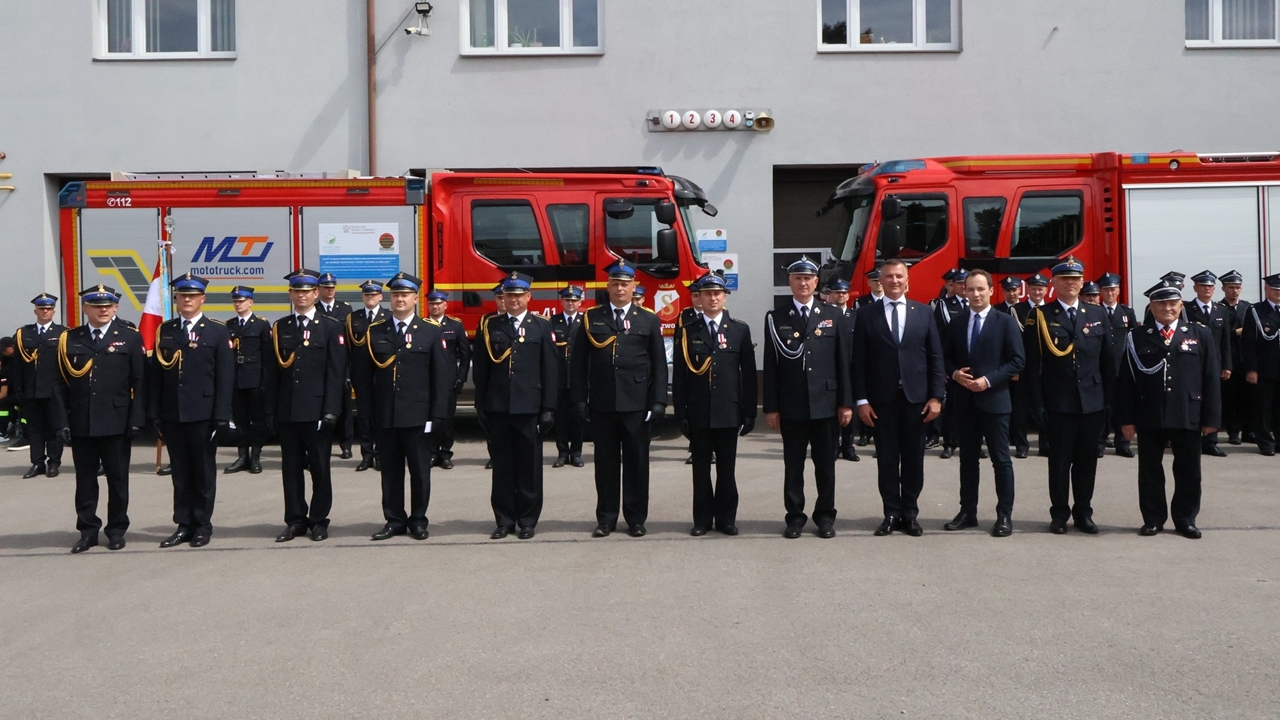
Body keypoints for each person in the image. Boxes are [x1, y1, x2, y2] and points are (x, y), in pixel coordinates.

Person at [571, 260, 667, 538]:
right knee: (605, 464)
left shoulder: (648, 319)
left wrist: (659, 401)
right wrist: (579, 400)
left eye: (625, 284)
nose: (620, 289)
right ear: (608, 287)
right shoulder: (591, 318)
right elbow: (578, 364)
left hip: (636, 403)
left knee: (637, 463)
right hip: (602, 403)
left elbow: (659, 364)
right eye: (615, 284)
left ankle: (636, 519)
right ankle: (606, 518)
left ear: (634, 287)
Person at [1118, 280, 1219, 539]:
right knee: (1150, 471)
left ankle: (1186, 519)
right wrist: (1127, 419)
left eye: (1172, 303)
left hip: (1187, 411)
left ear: (1181, 305)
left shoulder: (1200, 334)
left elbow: (1210, 378)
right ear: (1151, 307)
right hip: (1149, 412)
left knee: (1189, 470)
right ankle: (1153, 519)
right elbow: (1126, 381)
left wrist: (1211, 417)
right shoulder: (1136, 337)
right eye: (1161, 303)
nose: (1167, 308)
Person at [1023, 256, 1114, 534]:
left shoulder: (1097, 314)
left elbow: (1108, 362)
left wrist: (1109, 401)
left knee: (1087, 462)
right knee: (1060, 463)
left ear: (1082, 282)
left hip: (1091, 401)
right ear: (1054, 283)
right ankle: (1059, 514)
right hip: (1058, 401)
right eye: (1065, 279)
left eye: (1075, 279)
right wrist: (1037, 403)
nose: (1071, 284)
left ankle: (1083, 513)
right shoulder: (1041, 315)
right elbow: (1032, 366)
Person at [853, 258, 945, 537]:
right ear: (880, 281)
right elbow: (858, 361)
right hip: (881, 401)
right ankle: (891, 513)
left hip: (917, 400)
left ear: (907, 280)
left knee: (914, 460)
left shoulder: (924, 312)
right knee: (887, 460)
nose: (894, 280)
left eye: (899, 276)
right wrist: (861, 400)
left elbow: (935, 357)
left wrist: (936, 397)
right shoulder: (866, 314)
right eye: (888, 276)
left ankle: (910, 513)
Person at [764, 257, 853, 539]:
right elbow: (771, 365)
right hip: (792, 404)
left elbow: (843, 362)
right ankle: (795, 517)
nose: (803, 283)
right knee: (794, 466)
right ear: (789, 282)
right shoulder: (776, 317)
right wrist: (771, 407)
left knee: (825, 465)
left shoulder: (832, 314)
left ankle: (825, 516)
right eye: (797, 278)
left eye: (808, 279)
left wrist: (845, 402)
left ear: (816, 282)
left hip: (826, 404)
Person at [148, 274, 235, 549]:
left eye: (193, 296)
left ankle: (202, 525)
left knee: (203, 472)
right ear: (176, 299)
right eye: (183, 295)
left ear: (202, 299)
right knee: (180, 473)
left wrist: (222, 415)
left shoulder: (217, 331)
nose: (187, 300)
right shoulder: (166, 330)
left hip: (203, 413)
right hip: (173, 413)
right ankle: (183, 525)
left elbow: (225, 377)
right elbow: (156, 377)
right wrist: (155, 413)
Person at [59, 285, 146, 553]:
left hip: (116, 420)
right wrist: (62, 421)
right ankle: (88, 531)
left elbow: (139, 381)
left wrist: (137, 418)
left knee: (118, 480)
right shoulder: (70, 338)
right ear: (85, 308)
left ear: (116, 307)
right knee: (85, 481)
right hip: (82, 420)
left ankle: (116, 530)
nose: (103, 310)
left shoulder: (129, 337)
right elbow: (59, 386)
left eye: (108, 306)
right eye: (97, 306)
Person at [367, 273, 452, 541]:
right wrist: (368, 414)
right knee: (390, 473)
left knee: (420, 472)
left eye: (405, 295)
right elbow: (365, 378)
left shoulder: (430, 331)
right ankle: (394, 520)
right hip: (386, 415)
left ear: (416, 299)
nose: (400, 299)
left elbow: (441, 378)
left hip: (418, 415)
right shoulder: (376, 331)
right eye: (395, 295)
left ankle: (418, 520)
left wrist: (438, 415)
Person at [264, 269, 347, 542]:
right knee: (291, 469)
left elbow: (335, 373)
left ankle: (319, 520)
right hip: (288, 410)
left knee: (320, 469)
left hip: (317, 410)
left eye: (306, 291)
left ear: (316, 293)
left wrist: (331, 409)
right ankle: (295, 520)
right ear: (290, 295)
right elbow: (272, 373)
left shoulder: (331, 326)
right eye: (296, 291)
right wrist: (270, 409)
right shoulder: (281, 327)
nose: (301, 296)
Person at [941, 269, 1025, 536]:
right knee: (967, 460)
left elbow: (1017, 360)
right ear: (964, 291)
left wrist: (988, 381)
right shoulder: (956, 323)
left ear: (990, 290)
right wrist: (955, 374)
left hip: (995, 401)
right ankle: (968, 512)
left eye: (980, 289)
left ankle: (1004, 515)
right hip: (964, 402)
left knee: (1001, 460)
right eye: (970, 289)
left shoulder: (1005, 322)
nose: (975, 294)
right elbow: (945, 357)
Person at [474, 272, 558, 540]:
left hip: (529, 406)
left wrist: (548, 408)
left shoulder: (541, 326)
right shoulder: (490, 325)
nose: (513, 299)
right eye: (508, 295)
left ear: (528, 297)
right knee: (502, 467)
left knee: (529, 467)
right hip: (498, 406)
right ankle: (504, 520)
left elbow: (550, 370)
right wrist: (480, 405)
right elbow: (482, 369)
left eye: (518, 295)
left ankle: (528, 521)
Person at [673, 272, 756, 536]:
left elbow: (749, 374)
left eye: (717, 293)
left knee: (726, 470)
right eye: (707, 294)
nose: (712, 298)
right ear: (699, 297)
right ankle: (702, 520)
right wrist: (680, 411)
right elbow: (680, 376)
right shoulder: (687, 330)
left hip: (728, 411)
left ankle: (726, 519)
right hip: (698, 411)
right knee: (700, 471)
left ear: (724, 297)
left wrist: (750, 412)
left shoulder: (739, 329)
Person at [12, 293, 67, 478]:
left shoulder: (63, 333)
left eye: (49, 309)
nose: (45, 311)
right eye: (42, 308)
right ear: (35, 311)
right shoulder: (24, 333)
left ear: (53, 312)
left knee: (55, 427)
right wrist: (18, 389)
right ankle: (37, 463)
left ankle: (54, 463)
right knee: (34, 429)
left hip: (55, 390)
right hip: (31, 389)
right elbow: (18, 365)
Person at [225, 286, 272, 474]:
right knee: (239, 420)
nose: (238, 304)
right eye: (235, 301)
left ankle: (255, 457)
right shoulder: (229, 325)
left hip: (255, 379)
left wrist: (265, 382)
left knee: (258, 420)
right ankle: (242, 456)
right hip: (236, 380)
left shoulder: (261, 324)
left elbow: (267, 356)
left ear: (251, 302)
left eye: (242, 301)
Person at [1185, 270, 1232, 458]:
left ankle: (1211, 442)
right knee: (1193, 402)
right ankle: (1193, 441)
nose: (1207, 289)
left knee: (1213, 402)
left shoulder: (1221, 310)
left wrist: (1227, 365)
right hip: (1192, 362)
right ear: (1195, 287)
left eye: (1210, 286)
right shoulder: (1186, 309)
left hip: (1215, 363)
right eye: (1203, 285)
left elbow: (1226, 341)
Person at [426, 289, 471, 470]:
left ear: (445, 305)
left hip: (448, 382)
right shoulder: (421, 325)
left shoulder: (455, 325)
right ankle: (431, 452)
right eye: (432, 303)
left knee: (446, 420)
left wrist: (461, 378)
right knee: (429, 419)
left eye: (438, 303)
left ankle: (445, 453)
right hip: (427, 382)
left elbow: (465, 355)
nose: (435, 306)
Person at [345, 280, 385, 472]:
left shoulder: (388, 317)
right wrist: (347, 373)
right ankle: (366, 456)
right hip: (361, 376)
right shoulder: (353, 318)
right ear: (362, 297)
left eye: (374, 295)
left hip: (383, 375)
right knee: (364, 417)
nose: (370, 297)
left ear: (380, 297)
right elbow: (347, 349)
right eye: (367, 294)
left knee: (382, 417)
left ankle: (381, 455)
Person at [1097, 273, 1137, 458]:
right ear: (1100, 292)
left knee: (1123, 407)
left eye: (1113, 289)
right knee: (1102, 408)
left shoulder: (1127, 312)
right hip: (1101, 368)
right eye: (1106, 290)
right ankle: (1099, 443)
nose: (1109, 293)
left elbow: (1133, 338)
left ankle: (1122, 444)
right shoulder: (1095, 312)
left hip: (1123, 367)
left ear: (1118, 291)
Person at [316, 272, 355, 460]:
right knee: (322, 408)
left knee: (345, 408)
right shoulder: (314, 309)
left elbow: (349, 341)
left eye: (332, 287)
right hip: (320, 365)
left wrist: (348, 371)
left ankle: (346, 445)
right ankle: (322, 444)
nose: (330, 290)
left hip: (341, 364)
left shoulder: (345, 309)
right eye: (326, 287)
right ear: (318, 290)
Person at [1241, 273, 1280, 456]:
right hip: (1264, 369)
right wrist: (1251, 369)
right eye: (1275, 289)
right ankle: (1265, 443)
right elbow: (1248, 343)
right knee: (1263, 408)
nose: (1278, 292)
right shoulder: (1256, 311)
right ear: (1266, 289)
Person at [931, 269, 967, 457]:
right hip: (953, 362)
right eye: (959, 283)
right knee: (952, 406)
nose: (963, 286)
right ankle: (950, 443)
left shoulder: (978, 304)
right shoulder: (943, 305)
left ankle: (972, 443)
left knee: (974, 408)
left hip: (974, 363)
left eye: (966, 283)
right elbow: (939, 336)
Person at [1014, 272, 1050, 457]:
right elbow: (1012, 340)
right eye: (1034, 289)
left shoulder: (1050, 310)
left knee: (1045, 406)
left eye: (1040, 289)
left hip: (1045, 367)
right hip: (1022, 366)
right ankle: (1021, 446)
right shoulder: (1017, 310)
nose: (1037, 292)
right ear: (1028, 290)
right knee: (1020, 409)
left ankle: (1045, 445)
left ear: (1046, 290)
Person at [550, 285, 586, 468]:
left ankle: (577, 452)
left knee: (579, 416)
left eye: (574, 300)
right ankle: (563, 453)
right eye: (567, 300)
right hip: (559, 378)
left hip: (579, 378)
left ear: (580, 302)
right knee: (561, 418)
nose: (570, 303)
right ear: (562, 301)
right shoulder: (553, 322)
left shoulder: (585, 321)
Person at [995, 276, 1030, 458]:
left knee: (1019, 409)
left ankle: (1021, 445)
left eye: (1014, 290)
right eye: (1008, 290)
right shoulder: (996, 310)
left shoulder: (1025, 310)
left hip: (1019, 368)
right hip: (1000, 368)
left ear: (1019, 290)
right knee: (1001, 409)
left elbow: (1025, 343)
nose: (1012, 293)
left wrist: (1017, 368)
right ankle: (1003, 443)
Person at [827, 279, 860, 462]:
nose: (840, 295)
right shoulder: (826, 316)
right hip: (830, 370)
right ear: (830, 294)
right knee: (832, 410)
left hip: (851, 369)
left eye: (843, 293)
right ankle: (833, 446)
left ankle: (848, 446)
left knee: (850, 409)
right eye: (837, 292)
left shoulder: (855, 316)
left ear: (848, 295)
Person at [1218, 270, 1252, 445]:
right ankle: (1233, 431)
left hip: (1246, 359)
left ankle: (1248, 431)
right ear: (1224, 288)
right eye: (1231, 287)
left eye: (1238, 287)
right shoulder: (1219, 308)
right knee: (1230, 397)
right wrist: (1236, 332)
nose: (1235, 291)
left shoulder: (1248, 308)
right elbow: (1217, 335)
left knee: (1248, 396)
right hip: (1228, 359)